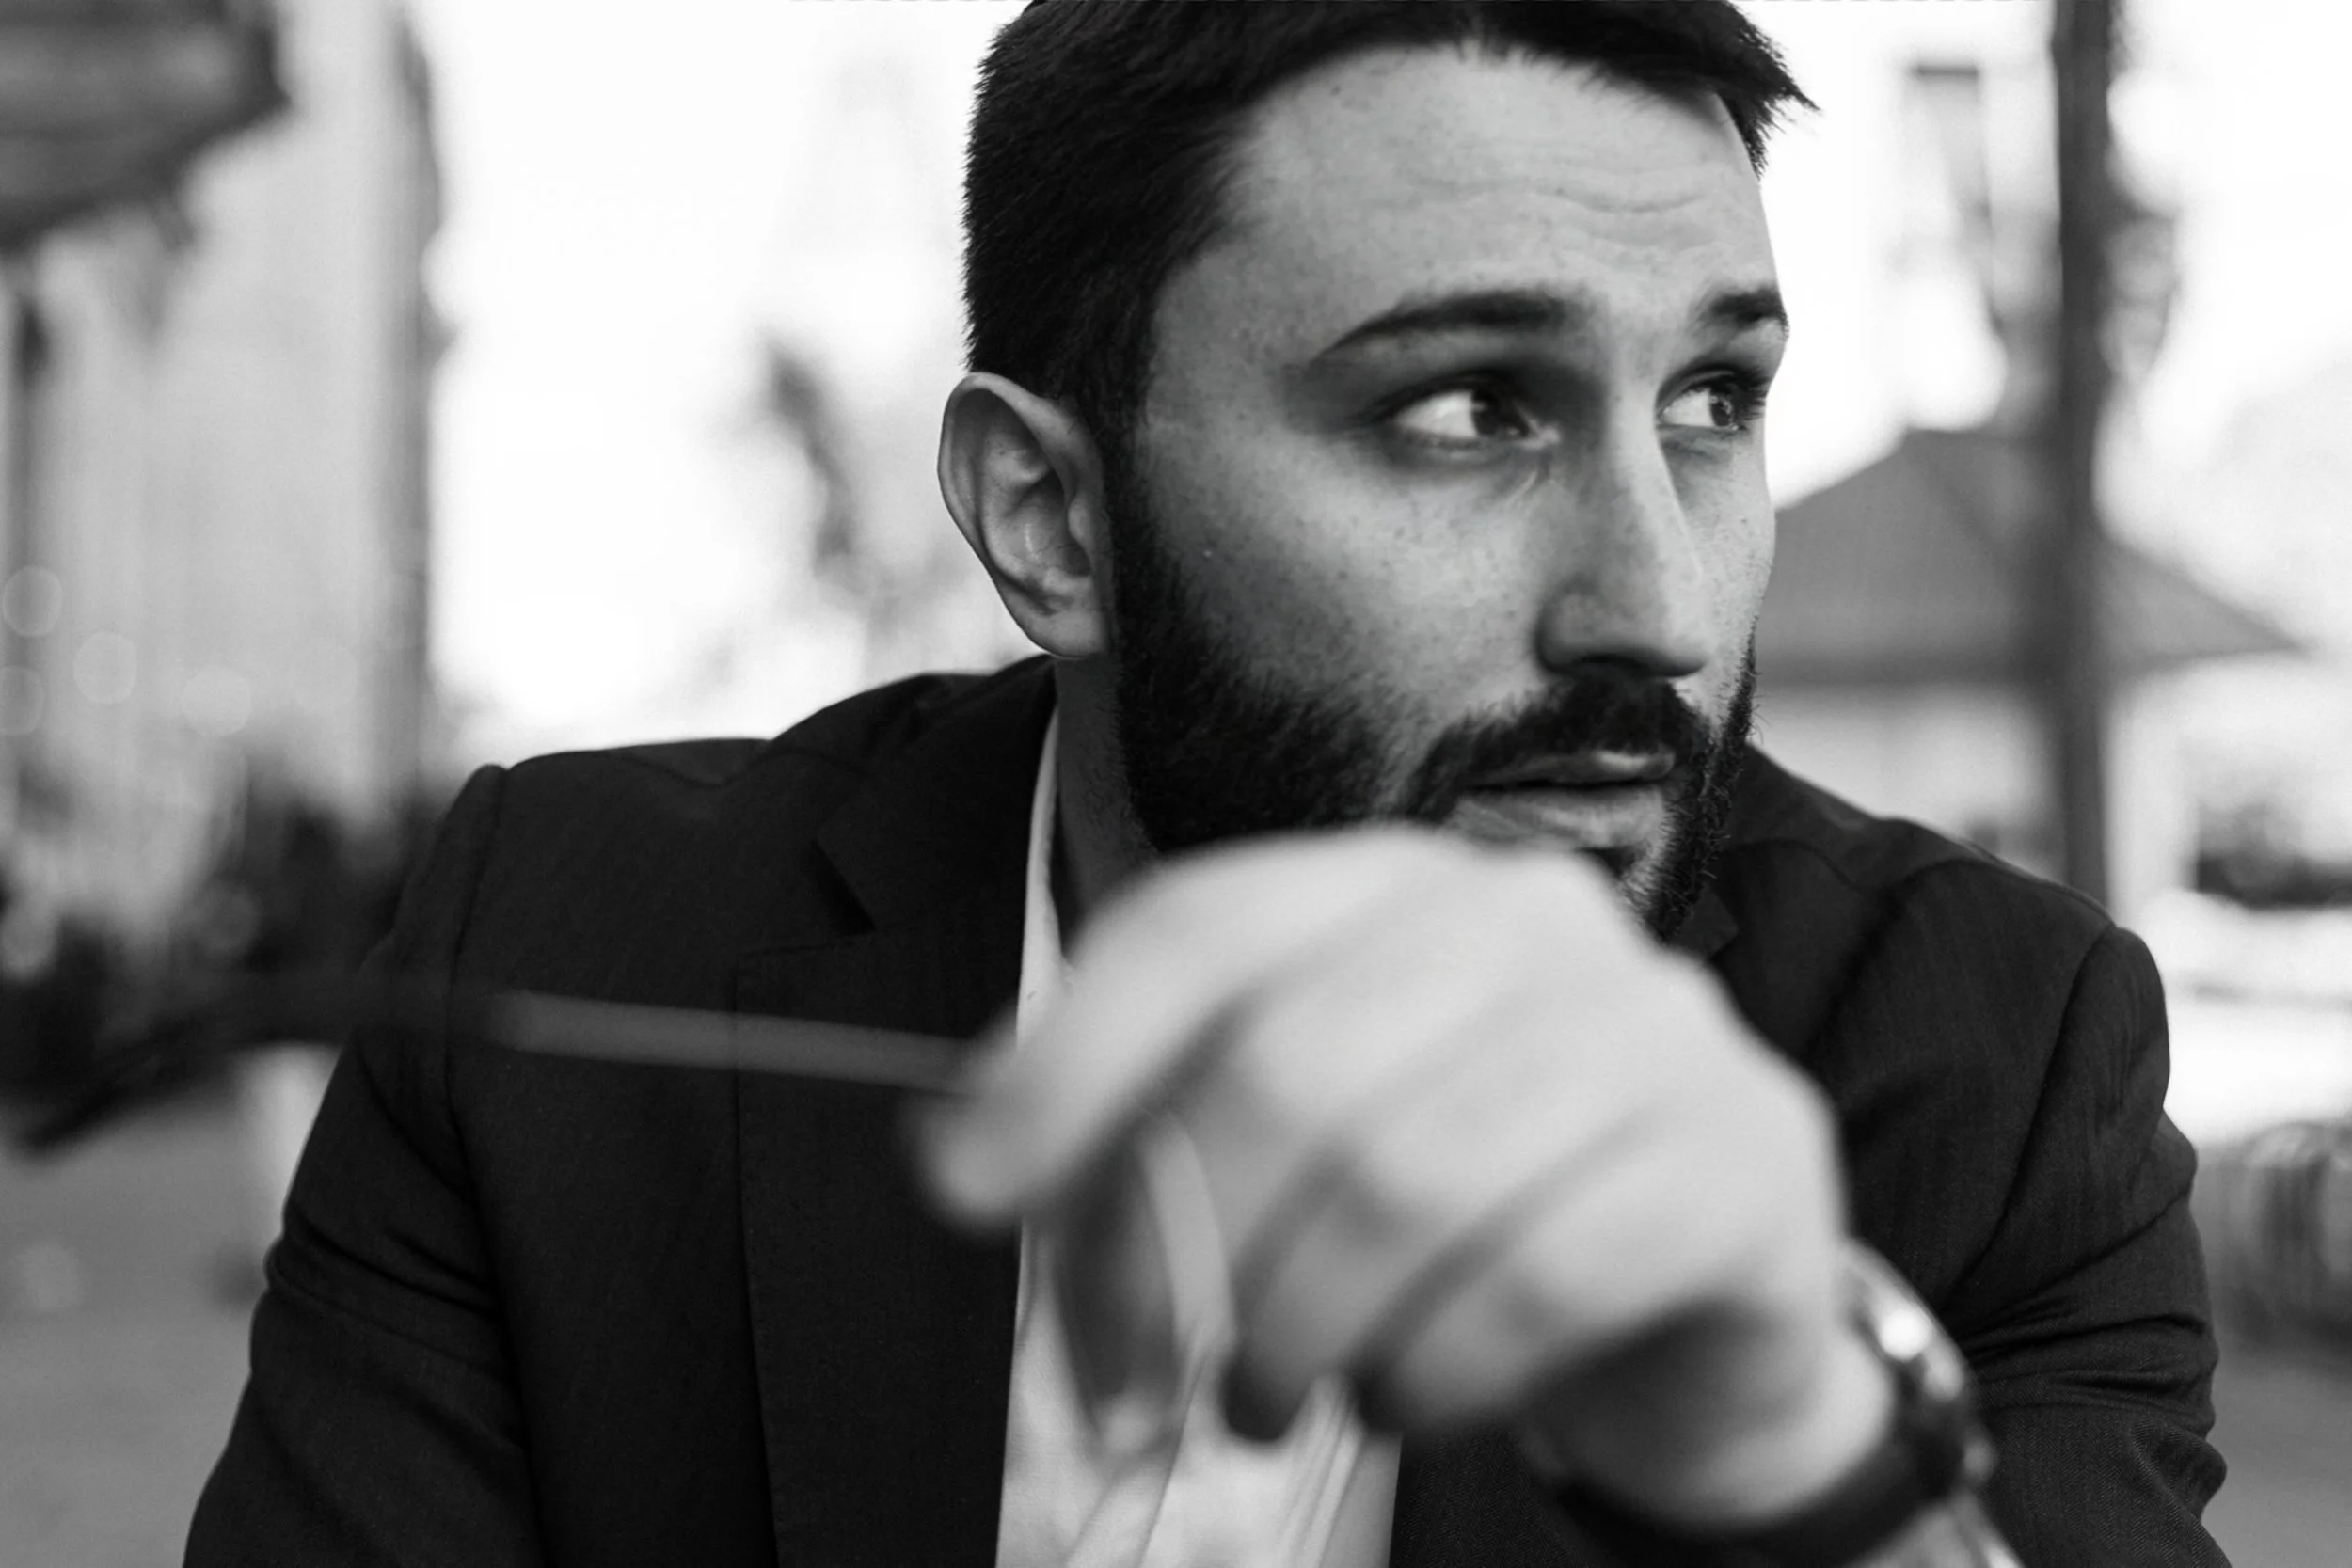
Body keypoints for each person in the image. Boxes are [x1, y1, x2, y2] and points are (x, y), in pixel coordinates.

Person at [185, 5, 2226, 1565]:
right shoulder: (568, 957)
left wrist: (1809, 1460)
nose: (1659, 606)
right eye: (1466, 407)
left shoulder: (1985, 1059)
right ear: (1047, 517)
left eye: (1712, 400)